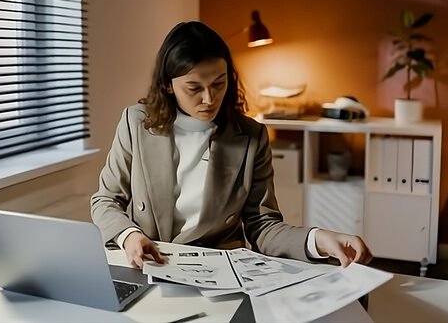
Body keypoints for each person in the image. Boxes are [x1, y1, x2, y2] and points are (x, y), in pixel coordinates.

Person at [91, 21, 372, 269]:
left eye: (218, 83)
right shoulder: (136, 123)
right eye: (194, 88)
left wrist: (317, 239)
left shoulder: (251, 136)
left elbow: (262, 226)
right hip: (149, 264)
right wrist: (129, 236)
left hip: (219, 272)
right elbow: (105, 200)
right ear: (168, 85)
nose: (209, 98)